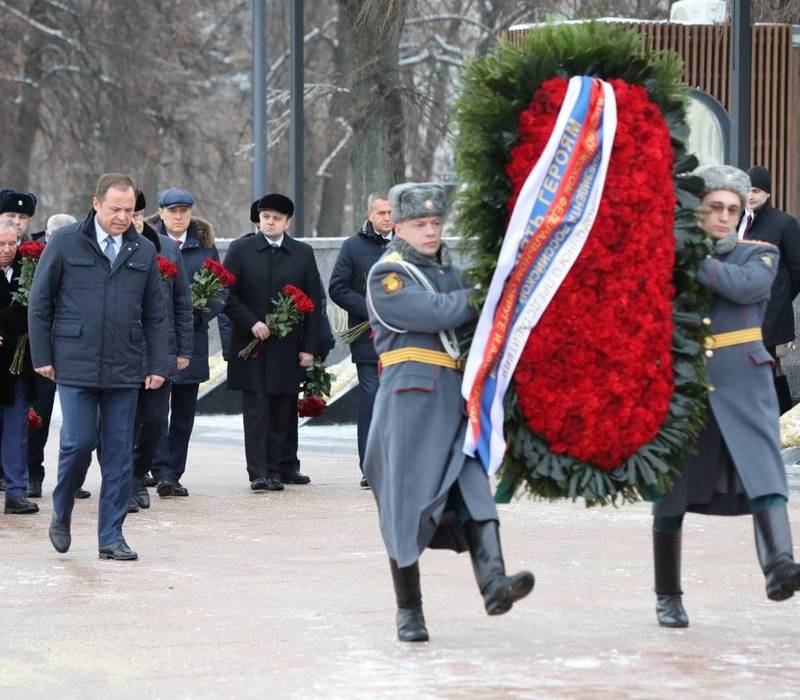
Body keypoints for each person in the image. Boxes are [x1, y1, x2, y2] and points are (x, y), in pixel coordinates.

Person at [364, 182, 534, 642]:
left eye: (436, 223)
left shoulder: (449, 271)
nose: (430, 231)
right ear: (397, 226)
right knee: (406, 506)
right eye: (420, 224)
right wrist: (485, 295)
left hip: (456, 401)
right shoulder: (388, 274)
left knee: (475, 487)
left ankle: (494, 584)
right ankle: (410, 612)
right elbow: (435, 313)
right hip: (410, 403)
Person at [652, 165, 800, 628]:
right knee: (670, 493)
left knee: (764, 472)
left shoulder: (761, 253)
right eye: (714, 208)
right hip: (687, 384)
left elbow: (744, 288)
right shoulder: (667, 258)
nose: (724, 217)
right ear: (698, 210)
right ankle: (667, 596)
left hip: (745, 379)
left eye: (732, 209)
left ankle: (779, 566)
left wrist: (685, 253)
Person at [28, 173, 171, 560]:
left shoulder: (141, 250)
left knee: (120, 453)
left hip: (125, 366)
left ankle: (111, 536)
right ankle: (62, 511)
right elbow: (40, 303)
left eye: (129, 210)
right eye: (115, 209)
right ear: (96, 205)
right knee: (78, 443)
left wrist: (159, 363)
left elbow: (157, 314)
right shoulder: (65, 241)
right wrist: (41, 357)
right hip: (74, 362)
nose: (123, 217)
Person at [224, 193, 322, 491]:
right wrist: (251, 322)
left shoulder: (302, 254)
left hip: (287, 347)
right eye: (265, 216)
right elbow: (227, 294)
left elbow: (315, 301)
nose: (269, 222)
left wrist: (310, 347)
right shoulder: (241, 250)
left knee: (283, 407)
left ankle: (280, 467)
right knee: (256, 409)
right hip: (251, 344)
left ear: (287, 222)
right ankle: (259, 472)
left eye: (276, 218)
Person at [146, 187, 223, 498]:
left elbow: (220, 289)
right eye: (172, 211)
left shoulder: (205, 247)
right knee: (154, 411)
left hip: (192, 338)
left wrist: (199, 314)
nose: (178, 217)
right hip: (156, 340)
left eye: (184, 211)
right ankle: (158, 467)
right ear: (161, 213)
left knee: (184, 413)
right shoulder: (148, 244)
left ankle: (172, 473)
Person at [129, 190, 193, 511]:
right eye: (129, 214)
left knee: (155, 420)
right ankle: (131, 482)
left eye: (138, 215)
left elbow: (182, 302)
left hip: (159, 350)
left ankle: (139, 470)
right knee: (125, 421)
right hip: (123, 352)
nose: (133, 221)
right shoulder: (113, 247)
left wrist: (183, 349)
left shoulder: (166, 248)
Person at [329, 192, 394, 488]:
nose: (387, 217)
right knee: (371, 398)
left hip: (404, 339)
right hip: (368, 337)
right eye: (381, 212)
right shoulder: (353, 247)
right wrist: (370, 308)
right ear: (369, 214)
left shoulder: (407, 245)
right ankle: (371, 466)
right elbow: (337, 288)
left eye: (391, 212)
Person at [26, 214, 84, 500]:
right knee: (39, 416)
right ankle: (32, 474)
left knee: (79, 422)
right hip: (47, 351)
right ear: (47, 237)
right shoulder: (33, 259)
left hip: (77, 351)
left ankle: (74, 478)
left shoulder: (83, 255)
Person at [737, 165, 800, 414]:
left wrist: (781, 297)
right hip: (741, 309)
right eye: (747, 190)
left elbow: (797, 268)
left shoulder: (784, 223)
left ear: (768, 194)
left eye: (756, 190)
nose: (750, 196)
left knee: (769, 363)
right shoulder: (738, 222)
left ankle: (782, 418)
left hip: (771, 311)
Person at [0, 217, 39, 514]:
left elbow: (36, 311)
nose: (7, 249)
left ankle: (16, 491)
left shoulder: (29, 271)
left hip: (16, 365)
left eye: (12, 243)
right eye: (1, 244)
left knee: (16, 430)